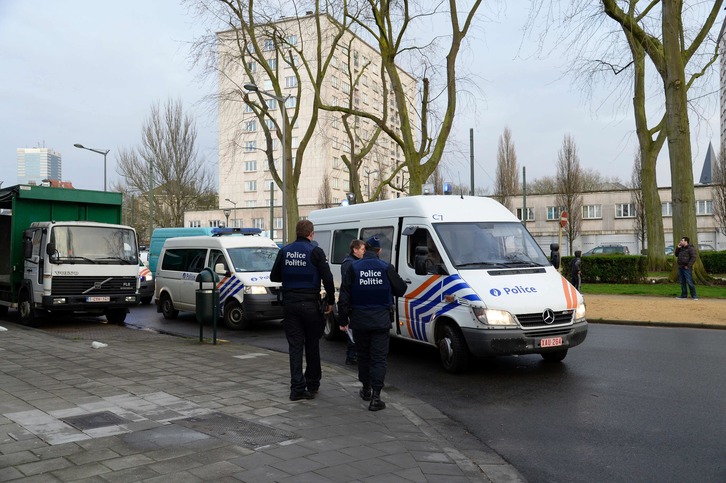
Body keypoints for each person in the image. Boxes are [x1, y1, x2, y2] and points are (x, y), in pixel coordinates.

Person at [338, 235, 407, 411]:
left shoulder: (353, 267)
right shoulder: (385, 267)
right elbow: (401, 289)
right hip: (380, 321)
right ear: (379, 251)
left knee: (364, 356)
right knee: (378, 358)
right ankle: (376, 397)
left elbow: (344, 295)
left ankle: (366, 389)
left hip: (360, 320)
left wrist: (343, 319)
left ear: (365, 249)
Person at [271, 220, 335, 401]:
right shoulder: (315, 251)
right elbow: (328, 279)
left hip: (290, 304)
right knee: (312, 344)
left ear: (296, 233)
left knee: (295, 346)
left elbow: (274, 276)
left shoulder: (284, 251)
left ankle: (297, 388)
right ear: (311, 234)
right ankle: (312, 383)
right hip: (309, 305)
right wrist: (330, 301)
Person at [340, 239, 365, 365]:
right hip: (351, 304)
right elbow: (346, 288)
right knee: (352, 332)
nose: (364, 252)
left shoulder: (355, 262)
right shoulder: (349, 264)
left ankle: (353, 356)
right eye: (362, 249)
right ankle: (351, 357)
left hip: (354, 303)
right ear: (355, 250)